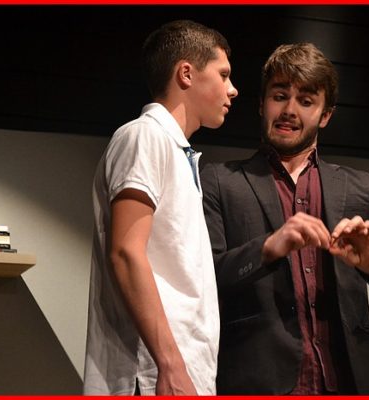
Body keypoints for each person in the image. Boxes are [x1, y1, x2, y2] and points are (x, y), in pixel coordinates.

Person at [200, 42, 369, 395]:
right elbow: (200, 282)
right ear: (262, 103)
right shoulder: (219, 181)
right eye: (280, 96)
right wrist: (267, 248)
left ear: (325, 115)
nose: (289, 110)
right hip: (257, 384)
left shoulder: (364, 188)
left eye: (306, 101)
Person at [83, 20, 238, 395]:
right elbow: (126, 252)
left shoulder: (175, 149)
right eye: (223, 74)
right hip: (151, 376)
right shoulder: (145, 135)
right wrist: (170, 365)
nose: (232, 89)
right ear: (186, 73)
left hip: (177, 373)